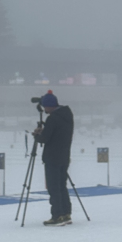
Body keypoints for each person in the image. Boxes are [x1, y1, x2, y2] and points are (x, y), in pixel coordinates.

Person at [34, 91, 74, 225]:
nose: (44, 110)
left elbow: (45, 138)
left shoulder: (53, 119)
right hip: (64, 156)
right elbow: (57, 133)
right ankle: (66, 213)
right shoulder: (66, 115)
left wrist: (37, 135)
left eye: (45, 107)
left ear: (49, 106)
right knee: (62, 186)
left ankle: (57, 215)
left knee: (53, 187)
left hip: (52, 157)